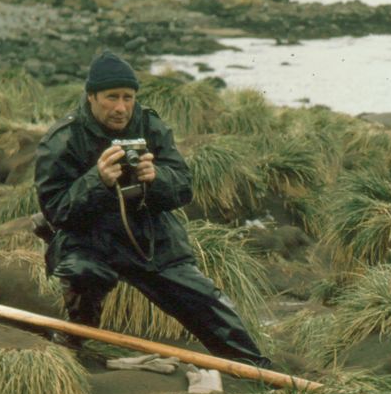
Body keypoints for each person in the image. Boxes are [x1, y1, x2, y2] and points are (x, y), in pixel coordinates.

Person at [35, 53, 269, 366]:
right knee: (81, 273)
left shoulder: (150, 124)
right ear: (91, 96)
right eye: (111, 97)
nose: (121, 108)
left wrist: (157, 179)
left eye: (128, 98)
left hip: (148, 237)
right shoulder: (64, 138)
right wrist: (97, 180)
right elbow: (55, 210)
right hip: (90, 238)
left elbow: (183, 186)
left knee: (201, 297)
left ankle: (253, 368)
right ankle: (75, 343)